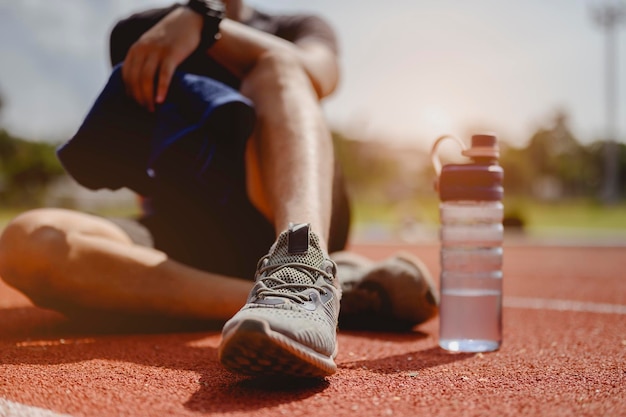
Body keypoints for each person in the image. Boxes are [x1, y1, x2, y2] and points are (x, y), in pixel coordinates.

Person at [0, 0, 438, 378]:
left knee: (279, 67)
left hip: (280, 210)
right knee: (27, 242)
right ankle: (317, 299)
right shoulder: (140, 30)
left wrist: (203, 22)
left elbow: (319, 76)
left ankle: (304, 265)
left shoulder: (298, 27)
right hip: (190, 230)